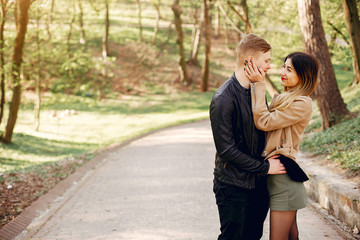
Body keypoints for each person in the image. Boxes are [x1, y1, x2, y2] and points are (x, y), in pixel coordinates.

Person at [209, 33, 286, 240]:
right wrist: (265, 167)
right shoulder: (223, 98)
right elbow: (226, 150)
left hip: (259, 186)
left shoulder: (258, 91)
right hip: (233, 187)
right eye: (266, 61)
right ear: (250, 61)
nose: (270, 66)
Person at [245, 51, 319, 240]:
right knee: (291, 236)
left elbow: (264, 121)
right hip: (275, 178)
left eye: (289, 69)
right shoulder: (282, 99)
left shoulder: (302, 103)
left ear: (303, 75)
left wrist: (258, 84)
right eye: (283, 67)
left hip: (284, 182)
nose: (282, 72)